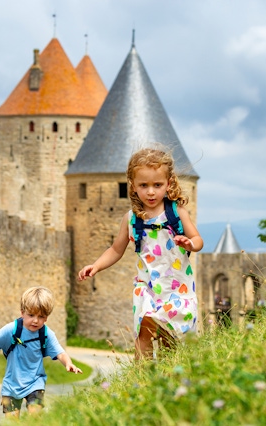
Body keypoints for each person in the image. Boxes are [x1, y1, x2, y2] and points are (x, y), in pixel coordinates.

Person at [78, 147, 203, 360]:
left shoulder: (176, 213)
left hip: (175, 287)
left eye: (157, 185)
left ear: (168, 184)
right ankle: (142, 377)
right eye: (143, 185)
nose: (151, 192)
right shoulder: (132, 219)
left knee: (167, 337)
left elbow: (198, 240)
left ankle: (165, 377)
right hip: (147, 287)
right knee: (144, 330)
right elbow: (116, 249)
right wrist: (96, 266)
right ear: (133, 186)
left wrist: (189, 243)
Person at [0, 286, 82, 418]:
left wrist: (68, 363)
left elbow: (60, 353)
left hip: (35, 382)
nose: (35, 320)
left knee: (35, 417)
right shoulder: (11, 329)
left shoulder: (47, 334)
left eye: (41, 316)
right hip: (11, 384)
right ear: (22, 312)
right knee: (12, 421)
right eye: (31, 315)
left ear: (46, 318)